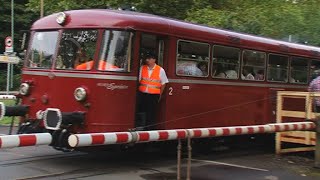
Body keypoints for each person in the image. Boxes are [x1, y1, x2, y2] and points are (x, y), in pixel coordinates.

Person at [138, 51, 169, 130]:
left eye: (149, 58)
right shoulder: (142, 68)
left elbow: (164, 83)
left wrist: (160, 94)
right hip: (142, 94)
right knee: (142, 111)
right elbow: (139, 80)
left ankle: (150, 130)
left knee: (151, 113)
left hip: (154, 96)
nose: (147, 60)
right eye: (146, 58)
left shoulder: (160, 70)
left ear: (154, 60)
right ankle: (142, 127)